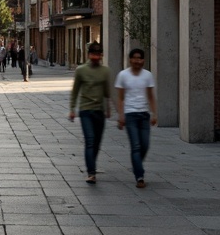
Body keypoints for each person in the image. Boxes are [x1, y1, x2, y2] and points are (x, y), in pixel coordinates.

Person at [68, 42, 113, 184]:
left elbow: (107, 92)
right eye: (93, 54)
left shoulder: (105, 71)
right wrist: (72, 109)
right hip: (85, 110)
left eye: (98, 54)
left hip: (99, 111)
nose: (95, 57)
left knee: (97, 143)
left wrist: (109, 108)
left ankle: (91, 163)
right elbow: (75, 91)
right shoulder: (81, 70)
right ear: (88, 54)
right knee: (90, 140)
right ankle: (91, 172)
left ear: (101, 55)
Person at [115, 48, 158, 188]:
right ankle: (139, 176)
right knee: (136, 146)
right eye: (135, 58)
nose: (137, 61)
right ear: (130, 59)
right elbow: (120, 98)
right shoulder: (123, 75)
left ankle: (136, 164)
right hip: (130, 115)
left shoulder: (148, 75)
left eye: (140, 58)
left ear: (143, 60)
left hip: (144, 114)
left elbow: (151, 96)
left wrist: (154, 113)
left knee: (145, 145)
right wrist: (121, 116)